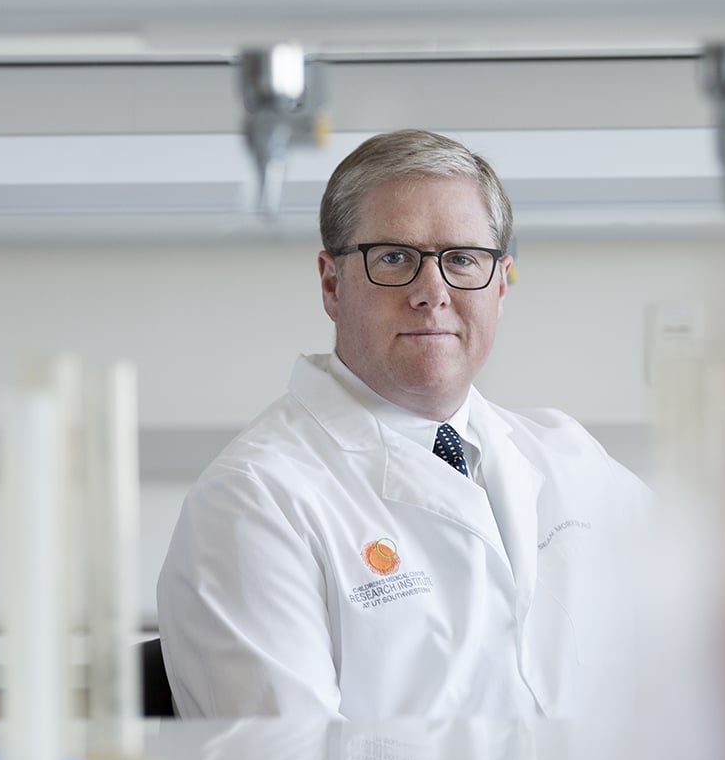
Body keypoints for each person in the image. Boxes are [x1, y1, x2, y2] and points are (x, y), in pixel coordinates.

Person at [157, 129, 652, 718]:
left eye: (462, 259)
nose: (432, 291)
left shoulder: (568, 457)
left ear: (501, 284)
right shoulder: (253, 500)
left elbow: (718, 639)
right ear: (331, 283)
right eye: (394, 258)